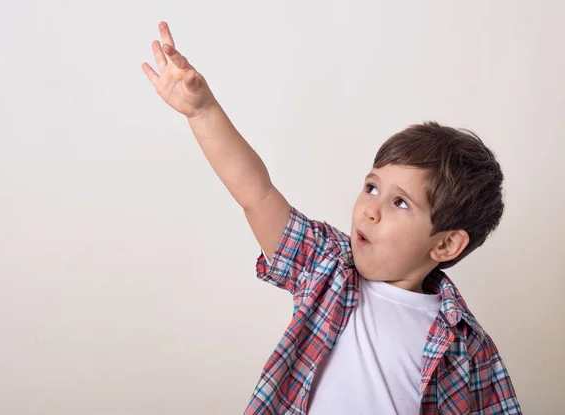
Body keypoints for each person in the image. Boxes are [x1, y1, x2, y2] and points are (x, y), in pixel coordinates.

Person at [141, 21, 522, 415]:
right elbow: (256, 193)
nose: (370, 209)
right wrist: (203, 111)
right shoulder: (327, 266)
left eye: (400, 203)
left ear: (445, 243)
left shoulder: (467, 347)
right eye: (372, 187)